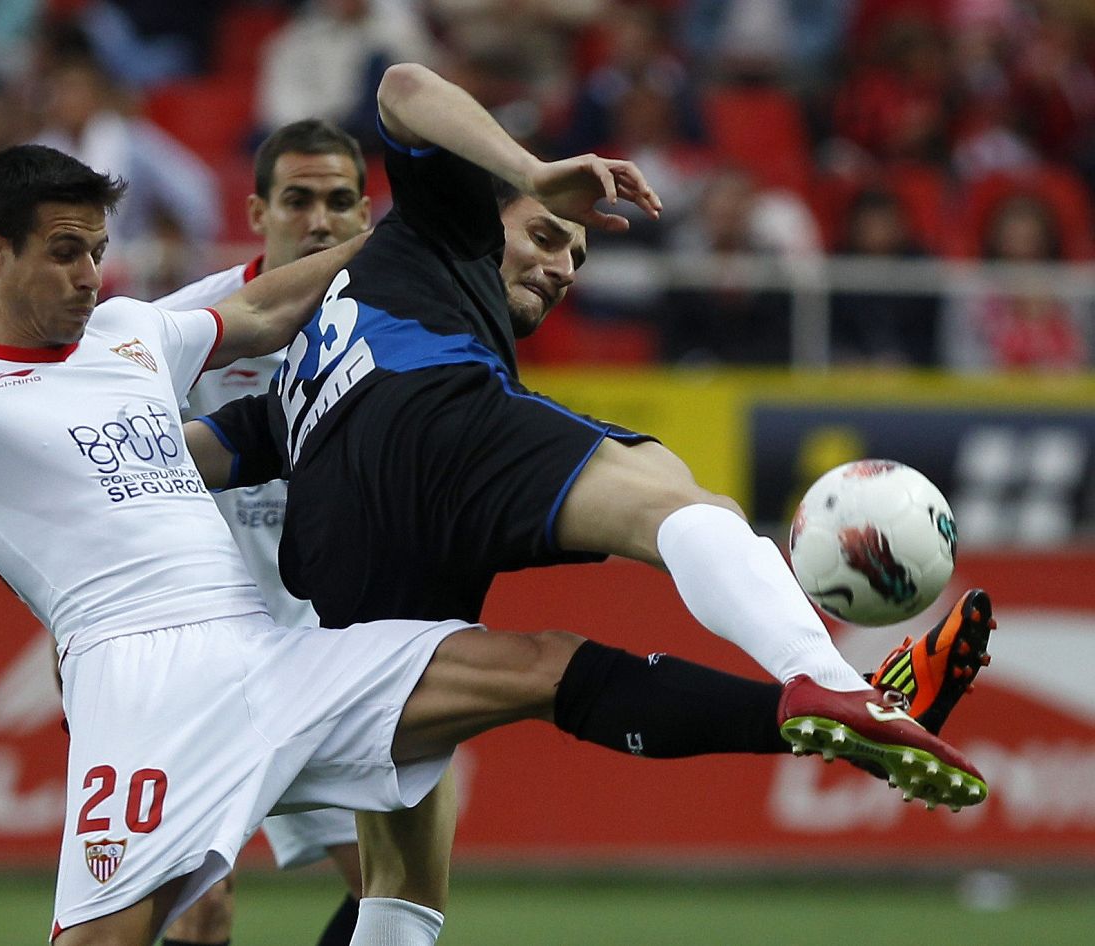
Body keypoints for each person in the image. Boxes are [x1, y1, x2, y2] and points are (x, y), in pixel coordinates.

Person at [0, 143, 986, 946]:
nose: (93, 272)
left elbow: (289, 294)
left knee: (531, 666)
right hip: (143, 674)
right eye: (64, 249)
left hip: (287, 648)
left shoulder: (141, 338)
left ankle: (822, 711)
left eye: (101, 245)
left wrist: (484, 221)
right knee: (135, 934)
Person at [187, 62, 993, 944]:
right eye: (542, 235)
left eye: (576, 252)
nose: (562, 262)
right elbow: (403, 87)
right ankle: (834, 681)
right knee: (676, 495)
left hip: (347, 587)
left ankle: (840, 711)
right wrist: (533, 168)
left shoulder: (302, 366)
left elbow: (203, 452)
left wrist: (84, 445)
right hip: (426, 418)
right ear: (479, 211)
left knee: (410, 869)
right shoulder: (434, 233)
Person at [153, 118, 374, 946]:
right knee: (197, 909)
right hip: (207, 662)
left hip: (336, 654)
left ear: (365, 217)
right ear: (257, 211)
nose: (320, 220)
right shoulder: (182, 330)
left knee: (392, 886)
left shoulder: (399, 331)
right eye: (298, 200)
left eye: (340, 201)